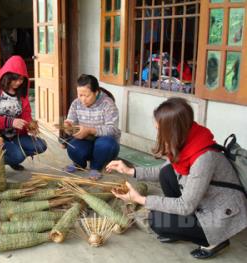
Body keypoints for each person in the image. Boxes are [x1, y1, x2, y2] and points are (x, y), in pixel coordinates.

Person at [107, 97, 247, 259]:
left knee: (158, 221)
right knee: (167, 173)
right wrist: (130, 171)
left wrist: (140, 199)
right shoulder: (187, 139)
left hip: (221, 216)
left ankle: (216, 241)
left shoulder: (204, 158)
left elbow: (186, 206)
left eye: (159, 129)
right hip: (203, 203)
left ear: (172, 130)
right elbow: (164, 170)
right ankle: (181, 226)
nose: (157, 133)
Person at [0, 55, 47, 170]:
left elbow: (26, 115)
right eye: (15, 79)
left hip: (15, 136)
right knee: (18, 156)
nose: (18, 83)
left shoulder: (21, 92)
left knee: (40, 145)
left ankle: (12, 153)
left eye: (21, 79)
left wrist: (30, 125)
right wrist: (10, 122)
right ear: (7, 76)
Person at [63, 74, 121, 180]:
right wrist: (68, 127)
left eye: (87, 95)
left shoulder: (107, 103)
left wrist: (89, 130)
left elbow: (112, 129)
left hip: (105, 145)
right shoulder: (76, 104)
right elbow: (71, 122)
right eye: (80, 95)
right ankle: (79, 165)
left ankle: (96, 168)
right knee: (72, 146)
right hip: (87, 142)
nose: (83, 99)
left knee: (106, 144)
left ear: (96, 92)